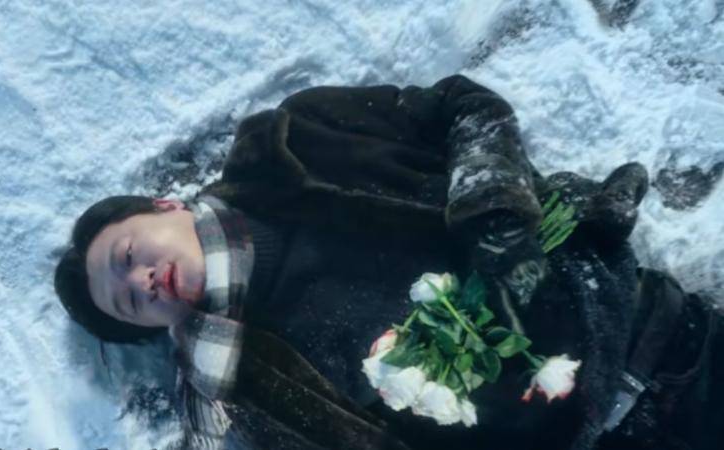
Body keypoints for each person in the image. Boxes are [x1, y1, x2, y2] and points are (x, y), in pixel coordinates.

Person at [53, 75, 723, 450]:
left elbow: (459, 106)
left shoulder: (296, 141)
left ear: (165, 207)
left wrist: (490, 198)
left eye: (128, 256)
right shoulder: (245, 388)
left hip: (659, 342)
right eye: (130, 302)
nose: (142, 281)